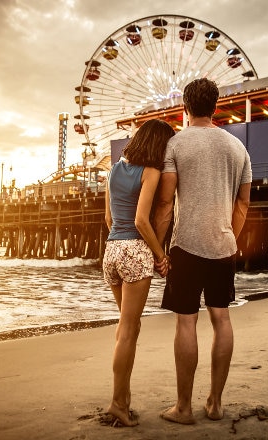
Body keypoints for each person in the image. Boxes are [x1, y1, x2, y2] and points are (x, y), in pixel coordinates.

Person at [153, 78, 252, 424]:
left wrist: (158, 251)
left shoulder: (176, 145)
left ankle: (183, 407)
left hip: (186, 245)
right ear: (215, 106)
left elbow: (165, 203)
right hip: (224, 246)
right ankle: (216, 403)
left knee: (186, 322)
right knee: (221, 318)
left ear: (185, 106)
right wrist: (228, 238)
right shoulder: (238, 148)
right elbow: (243, 203)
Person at [103, 118, 175, 427]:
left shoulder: (113, 170)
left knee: (125, 329)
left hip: (111, 251)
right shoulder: (151, 172)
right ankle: (118, 403)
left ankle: (124, 399)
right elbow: (142, 220)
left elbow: (109, 218)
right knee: (129, 331)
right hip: (135, 251)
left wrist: (121, 245)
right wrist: (161, 255)